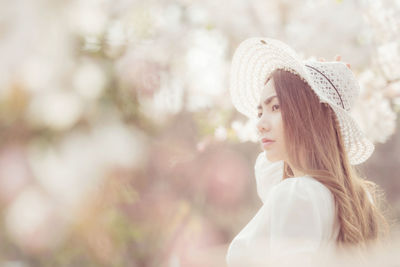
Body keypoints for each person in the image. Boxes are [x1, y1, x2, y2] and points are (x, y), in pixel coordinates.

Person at [225, 37, 391, 267]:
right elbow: (270, 173)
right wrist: (322, 86)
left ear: (307, 114)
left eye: (275, 107)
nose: (261, 123)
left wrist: (321, 91)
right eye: (260, 111)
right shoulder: (353, 199)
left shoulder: (298, 193)